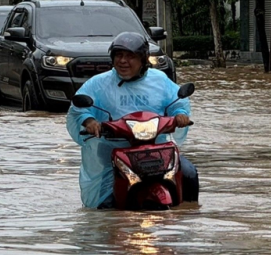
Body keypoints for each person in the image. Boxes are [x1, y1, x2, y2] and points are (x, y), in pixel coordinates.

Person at [66, 32, 198, 209]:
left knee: (189, 173)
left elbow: (177, 100)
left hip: (156, 152)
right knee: (106, 202)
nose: (123, 61)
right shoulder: (98, 83)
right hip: (111, 151)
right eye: (119, 56)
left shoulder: (159, 80)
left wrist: (180, 114)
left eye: (130, 56)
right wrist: (89, 121)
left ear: (143, 59)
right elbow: (79, 107)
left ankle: (186, 222)